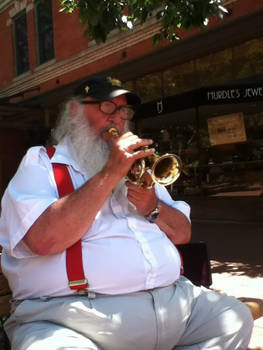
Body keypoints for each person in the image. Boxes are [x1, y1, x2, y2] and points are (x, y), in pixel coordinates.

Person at [0, 75, 253, 350]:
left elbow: (182, 233)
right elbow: (43, 239)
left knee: (233, 318)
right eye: (108, 107)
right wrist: (109, 173)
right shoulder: (42, 163)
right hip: (74, 317)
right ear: (74, 111)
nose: (118, 119)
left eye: (124, 111)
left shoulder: (140, 168)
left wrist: (152, 207)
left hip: (175, 303)